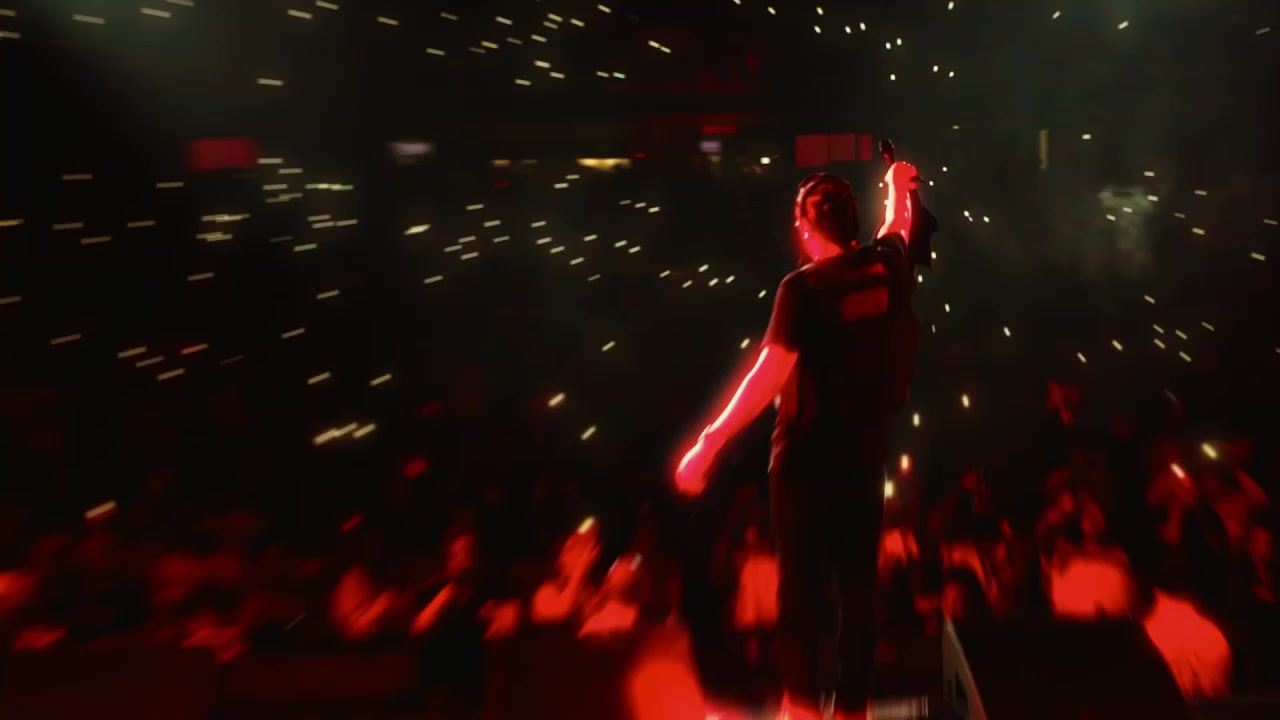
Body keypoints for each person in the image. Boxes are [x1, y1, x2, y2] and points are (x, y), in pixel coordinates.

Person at [675, 172, 922, 719]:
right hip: (863, 461)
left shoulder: (802, 289)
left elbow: (767, 376)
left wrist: (708, 444)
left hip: (805, 463)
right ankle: (853, 708)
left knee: (800, 591)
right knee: (857, 589)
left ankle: (804, 707)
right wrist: (896, 184)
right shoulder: (884, 266)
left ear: (806, 228)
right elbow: (898, 225)